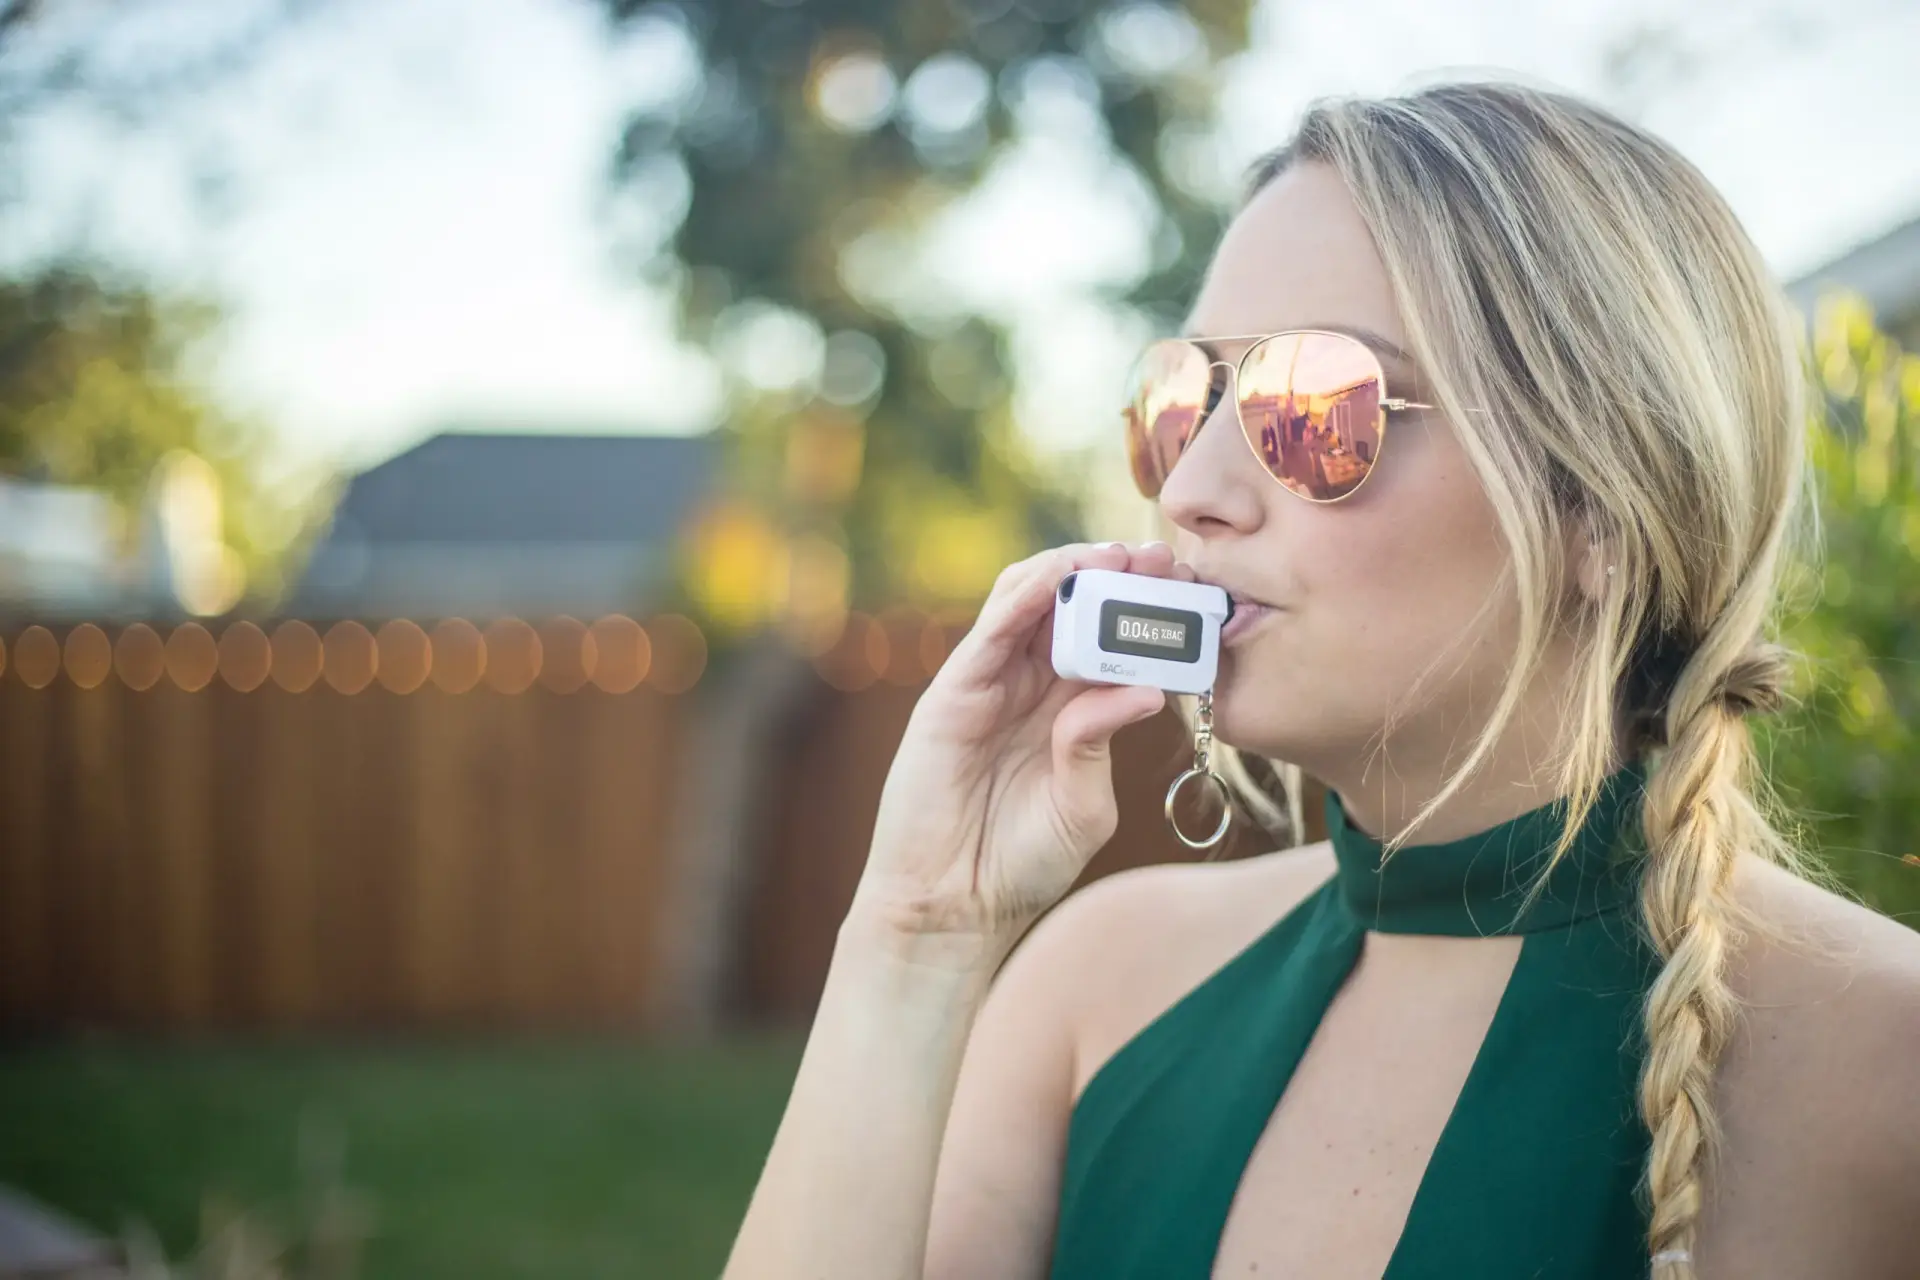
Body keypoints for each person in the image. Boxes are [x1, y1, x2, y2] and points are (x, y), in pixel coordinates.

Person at [720, 81, 1920, 1279]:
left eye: (1313, 406)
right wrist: (920, 931)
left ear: (1599, 510)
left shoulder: (1882, 1066)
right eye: (1181, 402)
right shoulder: (1097, 989)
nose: (1189, 487)